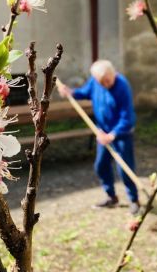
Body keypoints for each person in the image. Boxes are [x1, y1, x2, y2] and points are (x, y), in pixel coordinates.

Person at [58, 60, 139, 215]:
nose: (104, 84)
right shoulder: (96, 82)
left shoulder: (122, 86)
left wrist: (112, 135)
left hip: (121, 134)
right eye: (101, 82)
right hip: (103, 133)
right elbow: (85, 92)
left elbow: (127, 118)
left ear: (112, 73)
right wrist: (71, 92)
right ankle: (111, 197)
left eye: (107, 80)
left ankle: (134, 200)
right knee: (101, 165)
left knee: (125, 169)